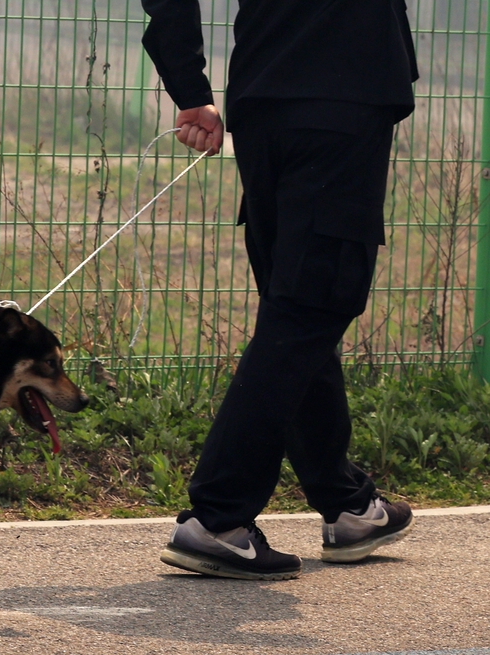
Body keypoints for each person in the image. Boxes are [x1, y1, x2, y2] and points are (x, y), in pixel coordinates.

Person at [139, 0, 420, 580]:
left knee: (296, 315)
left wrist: (189, 84)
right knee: (309, 308)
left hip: (266, 98)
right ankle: (217, 517)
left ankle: (347, 505)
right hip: (343, 99)